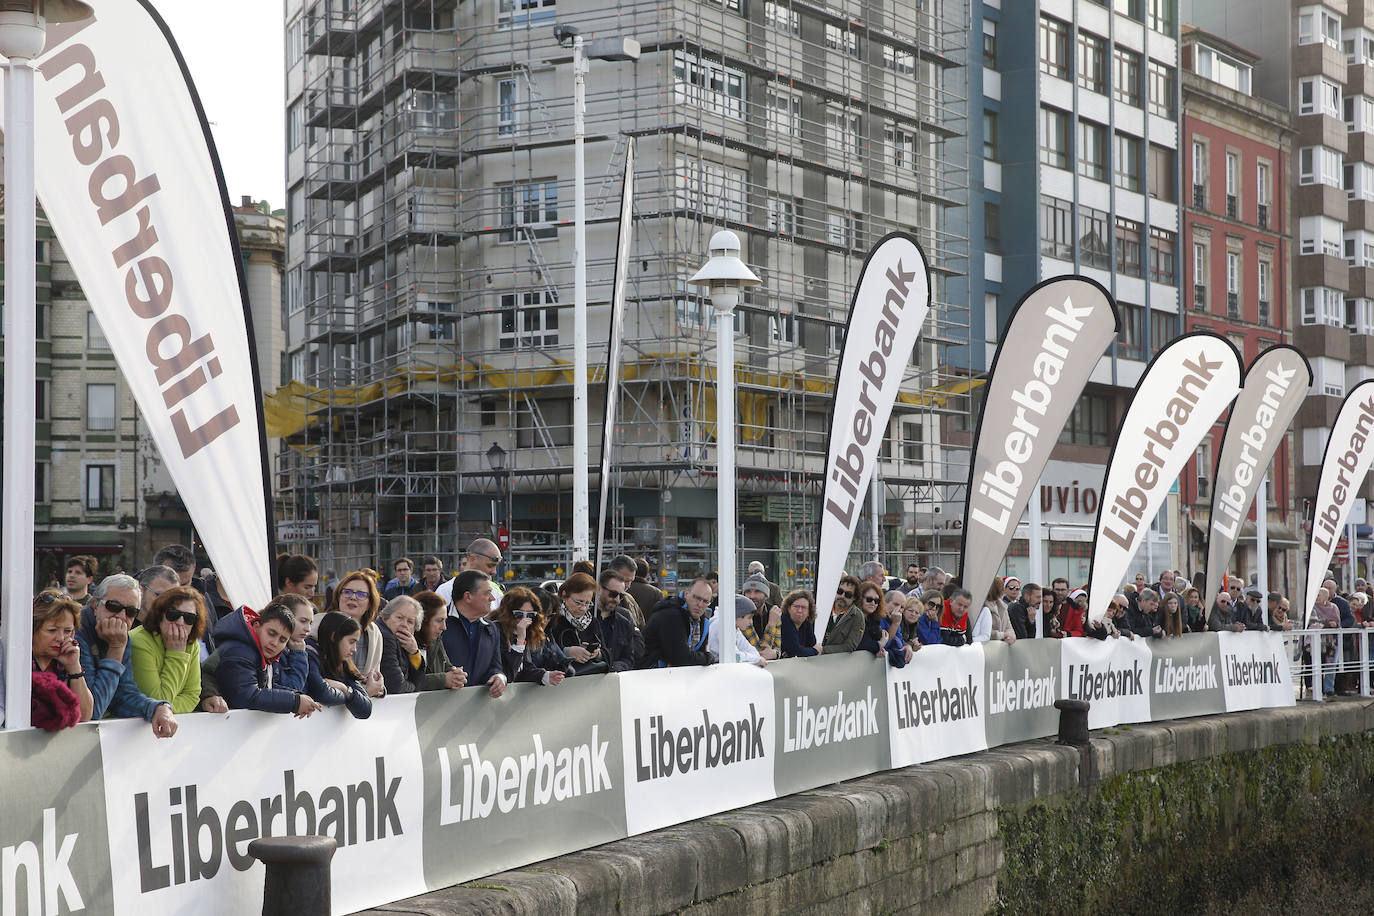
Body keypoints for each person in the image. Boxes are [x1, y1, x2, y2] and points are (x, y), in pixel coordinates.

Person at [76, 574, 178, 737]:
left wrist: (159, 707)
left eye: (131, 611)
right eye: (114, 606)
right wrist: (116, 649)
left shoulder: (122, 637)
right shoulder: (74, 631)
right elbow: (92, 711)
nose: (122, 617)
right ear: (95, 605)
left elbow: (123, 696)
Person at [212, 600, 319, 716]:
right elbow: (247, 696)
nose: (275, 643)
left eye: (282, 640)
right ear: (257, 626)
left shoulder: (264, 653)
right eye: (271, 633)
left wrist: (298, 697)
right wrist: (295, 701)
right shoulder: (239, 651)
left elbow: (269, 687)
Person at [130, 585, 209, 714]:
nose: (180, 622)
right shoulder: (138, 642)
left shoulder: (191, 643)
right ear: (160, 615)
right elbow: (157, 701)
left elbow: (192, 696)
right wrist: (176, 654)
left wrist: (168, 709)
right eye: (173, 615)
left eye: (189, 618)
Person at [440, 569, 509, 696]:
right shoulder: (438, 624)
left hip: (476, 710)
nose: (493, 598)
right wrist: (442, 679)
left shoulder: (491, 628)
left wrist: (499, 677)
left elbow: (495, 666)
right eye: (487, 593)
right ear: (468, 596)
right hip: (434, 708)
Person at [31, 590, 94, 724]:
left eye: (67, 631)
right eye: (52, 630)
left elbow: (85, 716)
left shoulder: (63, 664)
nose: (60, 638)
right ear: (32, 629)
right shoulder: (14, 659)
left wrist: (74, 668)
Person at [323, 571, 386, 696]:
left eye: (361, 594)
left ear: (370, 603)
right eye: (347, 592)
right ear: (338, 597)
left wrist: (379, 688)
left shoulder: (374, 632)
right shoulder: (319, 626)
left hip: (362, 705)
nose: (353, 597)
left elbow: (375, 677)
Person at [493, 587, 569, 685]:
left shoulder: (526, 632)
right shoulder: (496, 631)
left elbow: (525, 669)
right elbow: (509, 674)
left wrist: (545, 676)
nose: (524, 619)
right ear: (508, 613)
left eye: (530, 615)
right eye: (519, 614)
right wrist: (520, 641)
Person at [639, 577, 716, 668]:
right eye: (697, 598)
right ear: (686, 594)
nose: (700, 605)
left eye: (705, 601)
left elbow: (694, 655)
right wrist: (708, 658)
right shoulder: (671, 614)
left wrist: (703, 658)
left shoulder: (704, 621)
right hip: (648, 673)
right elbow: (680, 658)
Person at [312, 612, 373, 718]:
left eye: (356, 643)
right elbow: (322, 694)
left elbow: (366, 709)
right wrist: (349, 698)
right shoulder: (310, 655)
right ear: (334, 636)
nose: (354, 649)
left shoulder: (344, 664)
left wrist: (345, 689)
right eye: (351, 642)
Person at [546, 572, 608, 676]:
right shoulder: (551, 619)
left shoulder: (592, 622)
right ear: (565, 595)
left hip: (589, 680)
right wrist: (567, 652)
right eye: (578, 602)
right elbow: (541, 654)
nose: (582, 608)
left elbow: (606, 652)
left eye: (587, 603)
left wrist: (597, 654)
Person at [378, 595, 435, 694]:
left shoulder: (405, 642)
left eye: (410, 621)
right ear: (385, 617)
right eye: (399, 618)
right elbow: (396, 686)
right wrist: (414, 687)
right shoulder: (386, 636)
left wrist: (414, 652)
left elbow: (419, 678)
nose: (404, 624)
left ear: (414, 628)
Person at [413, 590, 467, 690]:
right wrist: (443, 680)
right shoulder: (402, 642)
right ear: (422, 620)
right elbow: (405, 682)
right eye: (439, 620)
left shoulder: (436, 640)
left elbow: (447, 667)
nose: (444, 627)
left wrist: (456, 676)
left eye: (445, 620)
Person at [437, 540, 505, 613]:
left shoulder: (497, 594)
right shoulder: (445, 591)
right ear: (472, 559)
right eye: (490, 565)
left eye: (496, 566)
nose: (494, 572)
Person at [1309, 587, 1343, 695]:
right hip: (1316, 641)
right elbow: (1313, 622)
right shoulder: (1312, 607)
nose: (1316, 597)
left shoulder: (1334, 607)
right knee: (1316, 665)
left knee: (1331, 665)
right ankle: (1317, 689)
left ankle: (1329, 689)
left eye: (1318, 595)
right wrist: (1328, 624)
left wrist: (1334, 624)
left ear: (1325, 597)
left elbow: (1337, 622)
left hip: (1331, 640)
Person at [824, 579, 872, 653]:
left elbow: (850, 646)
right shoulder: (823, 607)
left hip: (836, 661)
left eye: (848, 595)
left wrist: (822, 650)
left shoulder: (858, 616)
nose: (842, 596)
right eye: (840, 591)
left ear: (854, 598)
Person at [741, 575, 782, 660]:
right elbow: (760, 652)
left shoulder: (774, 612)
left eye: (757, 591)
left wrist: (775, 654)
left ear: (766, 595)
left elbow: (778, 647)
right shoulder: (741, 614)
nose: (752, 596)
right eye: (748, 591)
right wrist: (771, 624)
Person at [730, 596, 768, 667]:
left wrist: (756, 658)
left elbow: (752, 650)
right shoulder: (721, 627)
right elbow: (734, 657)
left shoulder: (735, 628)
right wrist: (756, 659)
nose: (751, 622)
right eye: (749, 618)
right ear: (739, 615)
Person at [779, 590, 818, 658]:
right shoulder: (784, 621)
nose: (800, 610)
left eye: (804, 607)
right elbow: (795, 651)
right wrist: (815, 650)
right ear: (789, 608)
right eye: (796, 606)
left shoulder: (806, 622)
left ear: (809, 611)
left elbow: (811, 644)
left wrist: (804, 651)